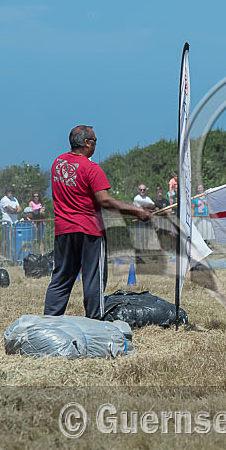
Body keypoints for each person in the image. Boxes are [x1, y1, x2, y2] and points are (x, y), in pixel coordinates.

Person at [43, 125, 151, 319]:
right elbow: (105, 200)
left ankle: (49, 320)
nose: (95, 145)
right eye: (95, 141)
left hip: (64, 229)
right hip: (89, 230)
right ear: (86, 143)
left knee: (61, 277)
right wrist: (137, 211)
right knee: (93, 277)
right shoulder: (91, 168)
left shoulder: (57, 164)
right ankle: (95, 321)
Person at [0, 186, 22, 259]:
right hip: (6, 223)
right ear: (6, 192)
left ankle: (12, 255)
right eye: (9, 192)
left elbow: (20, 209)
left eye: (11, 192)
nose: (10, 193)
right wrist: (15, 210)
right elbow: (10, 210)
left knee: (13, 240)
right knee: (6, 240)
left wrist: (14, 210)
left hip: (14, 223)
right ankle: (3, 254)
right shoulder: (4, 199)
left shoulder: (14, 199)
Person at [132, 184, 154, 250]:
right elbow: (140, 209)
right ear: (138, 190)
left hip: (147, 219)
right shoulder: (136, 198)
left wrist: (146, 207)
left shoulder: (147, 198)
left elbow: (153, 205)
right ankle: (139, 249)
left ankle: (146, 248)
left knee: (146, 235)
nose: (142, 191)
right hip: (139, 219)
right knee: (140, 235)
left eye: (144, 190)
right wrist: (147, 206)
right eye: (141, 189)